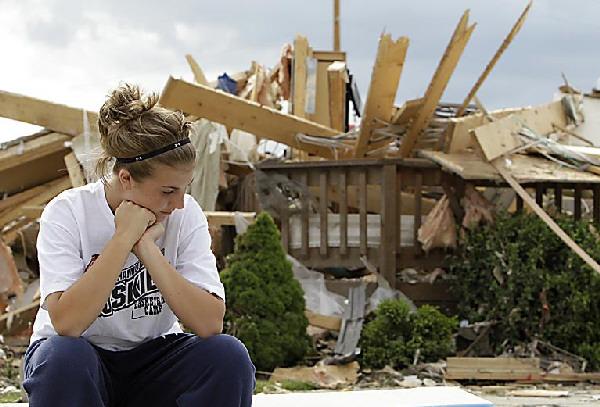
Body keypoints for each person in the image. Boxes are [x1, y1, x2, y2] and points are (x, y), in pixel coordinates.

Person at [22, 84, 256, 406]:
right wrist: (122, 239)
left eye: (183, 189)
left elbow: (209, 323)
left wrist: (144, 246)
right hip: (81, 359)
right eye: (166, 191)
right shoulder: (67, 212)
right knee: (62, 357)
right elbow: (67, 324)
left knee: (228, 355)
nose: (177, 204)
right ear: (126, 179)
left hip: (153, 359)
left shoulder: (185, 216)